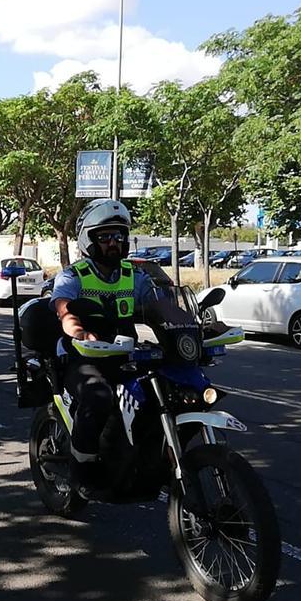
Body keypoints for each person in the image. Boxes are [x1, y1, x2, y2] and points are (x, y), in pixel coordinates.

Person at [48, 198, 170, 469]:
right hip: (82, 356)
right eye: (104, 237)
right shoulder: (73, 276)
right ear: (87, 241)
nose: (113, 242)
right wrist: (78, 332)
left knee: (168, 390)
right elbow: (63, 309)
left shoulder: (136, 276)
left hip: (125, 353)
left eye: (118, 236)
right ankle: (84, 469)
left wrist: (192, 326)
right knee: (98, 397)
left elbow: (161, 309)